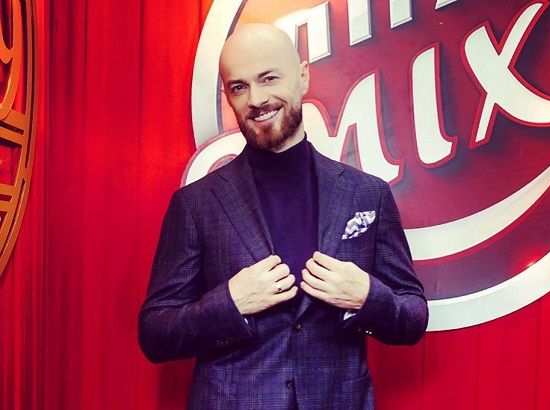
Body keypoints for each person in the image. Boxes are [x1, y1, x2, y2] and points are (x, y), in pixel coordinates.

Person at [138, 23, 428, 410]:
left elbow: (413, 316)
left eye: (269, 78)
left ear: (303, 76)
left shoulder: (367, 194)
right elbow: (155, 334)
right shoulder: (195, 204)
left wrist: (365, 296)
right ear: (227, 97)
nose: (256, 99)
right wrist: (230, 303)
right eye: (239, 87)